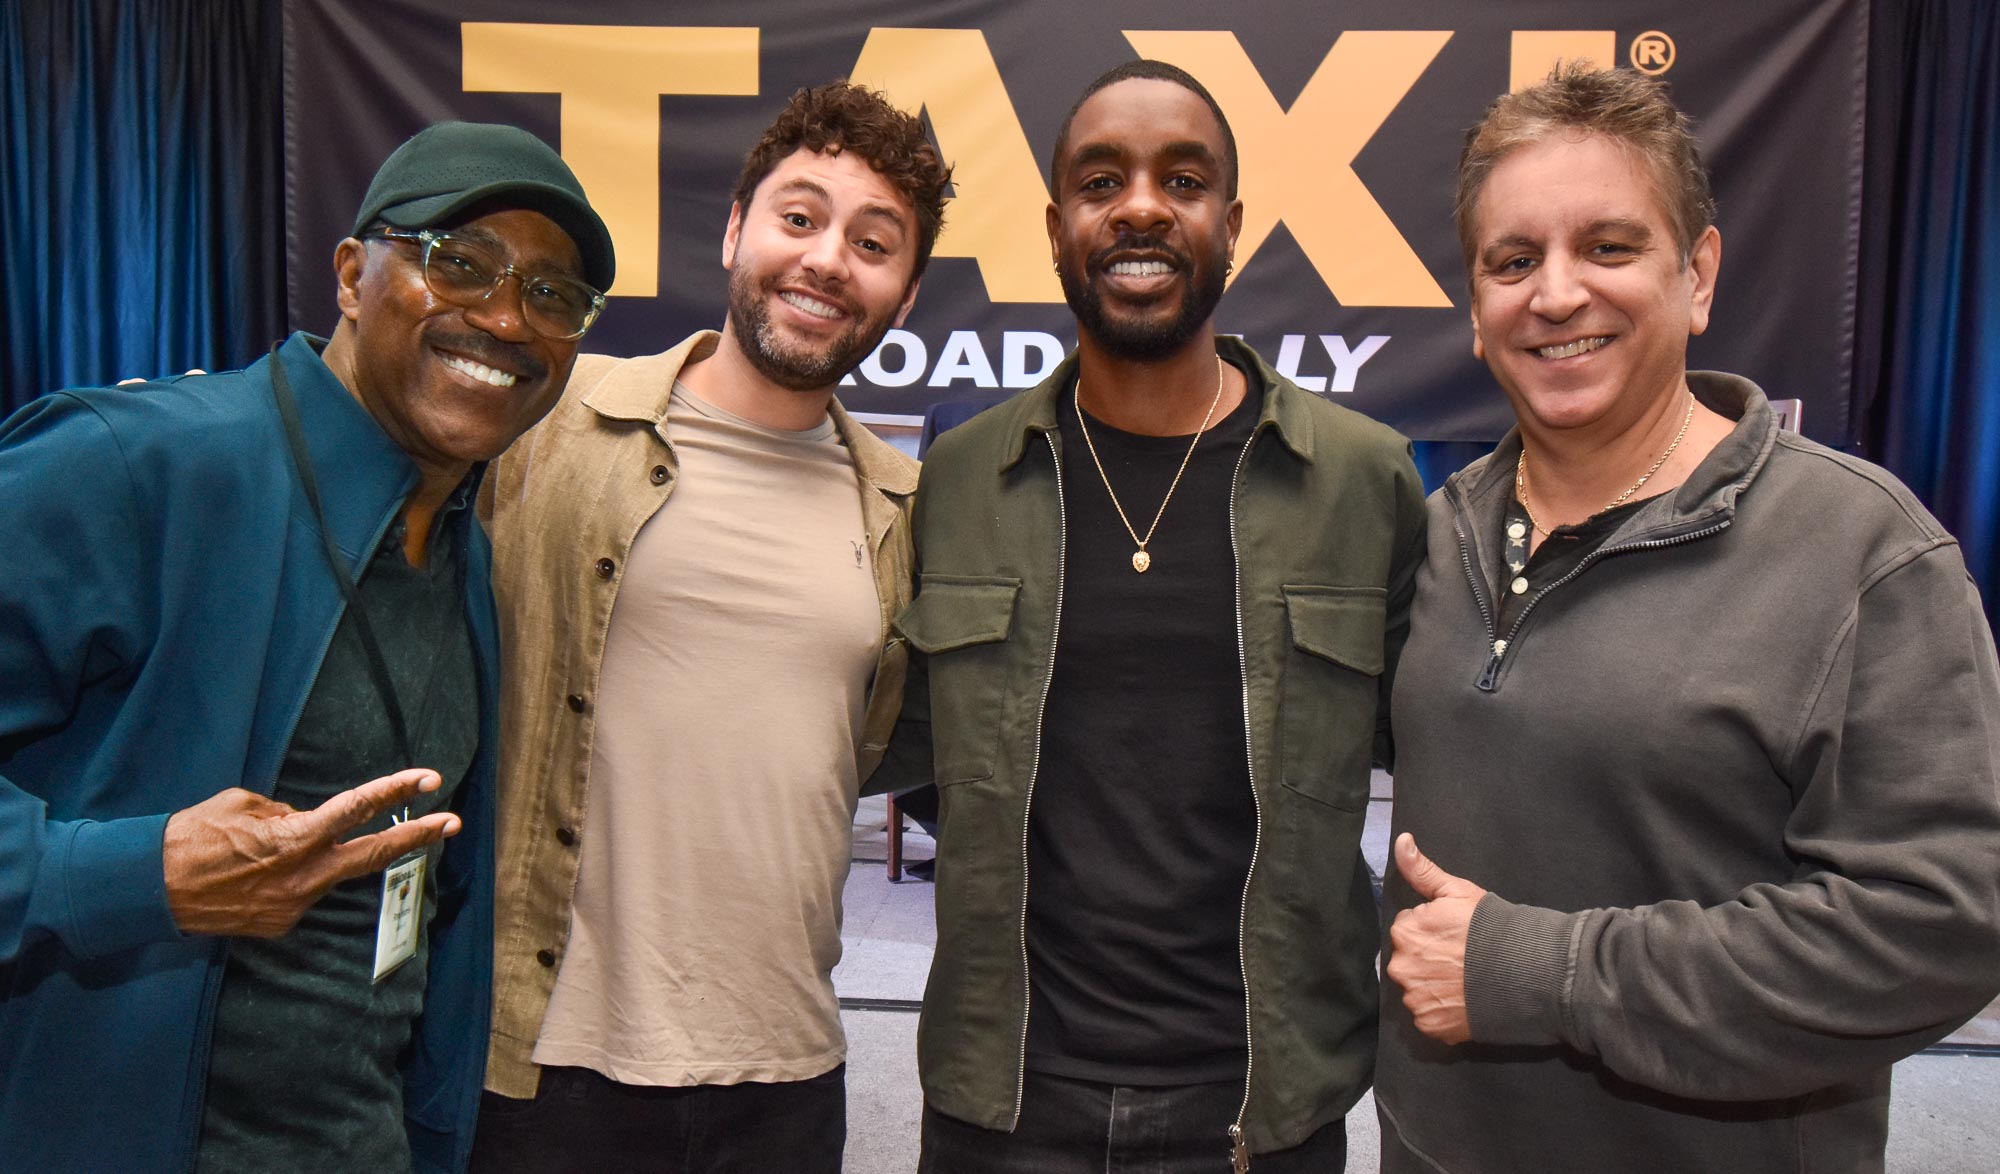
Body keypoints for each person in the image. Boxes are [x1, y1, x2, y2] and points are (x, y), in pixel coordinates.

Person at [1377, 64, 2000, 1173]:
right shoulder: (1427, 535)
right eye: (1512, 261)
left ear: (1697, 274)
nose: (1555, 293)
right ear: (1474, 311)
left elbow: (1941, 923)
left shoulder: (1859, 552)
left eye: (1606, 248)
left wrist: (1545, 974)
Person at [0, 121, 614, 1173]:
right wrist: (123, 873)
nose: (507, 318)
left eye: (552, 297)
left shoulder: (461, 548)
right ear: (349, 274)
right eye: (457, 263)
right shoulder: (130, 466)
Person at [876, 60, 1427, 1172]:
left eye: (1181, 180)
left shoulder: (1360, 480)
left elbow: (1415, 749)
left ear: (1230, 223)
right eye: (1099, 180)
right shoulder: (964, 478)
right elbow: (923, 746)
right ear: (1054, 225)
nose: (1139, 206)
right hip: (1004, 1099)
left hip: (1258, 1106)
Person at [467, 83, 948, 1174]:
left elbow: (877, 747)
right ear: (735, 228)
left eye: (871, 243)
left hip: (782, 1078)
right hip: (546, 1070)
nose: (827, 258)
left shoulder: (907, 510)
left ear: (904, 295)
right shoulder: (553, 422)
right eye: (798, 217)